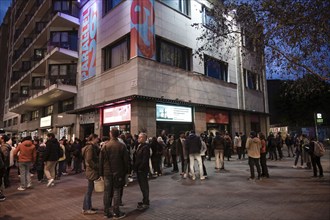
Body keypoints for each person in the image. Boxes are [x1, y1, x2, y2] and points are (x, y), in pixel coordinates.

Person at [100, 128, 128, 219]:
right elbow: (126, 161)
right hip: (118, 172)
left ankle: (106, 212)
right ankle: (116, 212)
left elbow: (101, 161)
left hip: (107, 172)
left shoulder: (105, 146)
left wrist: (101, 173)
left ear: (111, 134)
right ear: (118, 134)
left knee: (107, 192)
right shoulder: (122, 146)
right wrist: (126, 172)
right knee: (117, 191)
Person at [81, 134, 100, 215]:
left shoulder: (89, 147)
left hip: (89, 170)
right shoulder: (90, 147)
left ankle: (88, 206)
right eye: (97, 139)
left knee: (90, 189)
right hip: (91, 171)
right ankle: (86, 208)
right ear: (93, 139)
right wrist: (95, 167)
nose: (98, 140)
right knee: (89, 190)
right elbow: (89, 159)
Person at [134, 133, 150, 210]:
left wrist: (140, 168)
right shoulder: (139, 146)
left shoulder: (145, 147)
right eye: (139, 137)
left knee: (144, 186)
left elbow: (145, 159)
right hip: (139, 169)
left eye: (140, 137)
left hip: (142, 170)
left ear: (144, 138)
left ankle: (146, 201)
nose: (138, 139)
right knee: (142, 186)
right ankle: (144, 200)